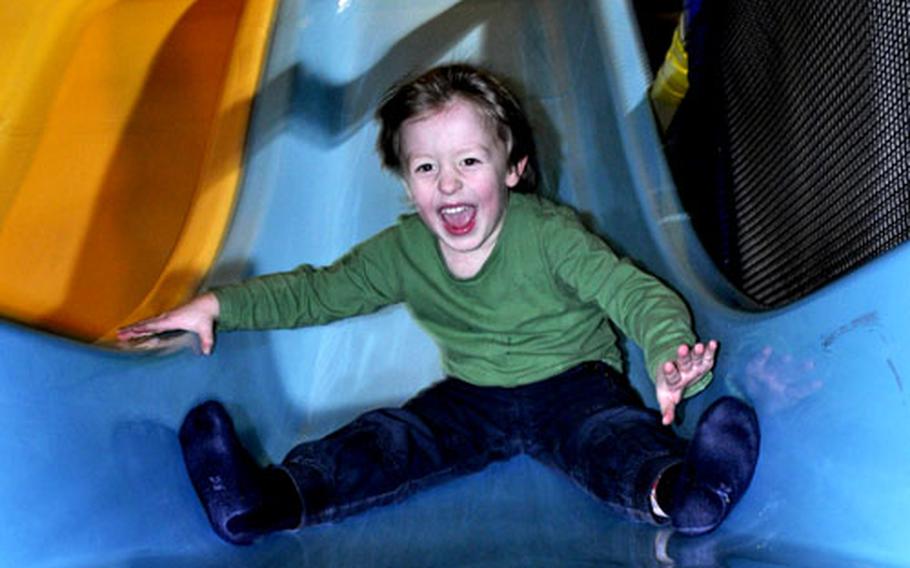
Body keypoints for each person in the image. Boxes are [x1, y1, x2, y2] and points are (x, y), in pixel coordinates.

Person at [118, 64, 759, 545]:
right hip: (472, 394)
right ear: (405, 181)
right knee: (393, 439)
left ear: (514, 170)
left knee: (610, 440)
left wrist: (671, 353)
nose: (447, 181)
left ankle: (683, 492)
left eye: (469, 161)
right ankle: (267, 500)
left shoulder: (549, 233)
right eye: (425, 167)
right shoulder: (404, 250)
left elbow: (631, 291)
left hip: (575, 385)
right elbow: (317, 291)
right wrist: (218, 306)